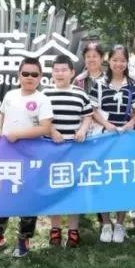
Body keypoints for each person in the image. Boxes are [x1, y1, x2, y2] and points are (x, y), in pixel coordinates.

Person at [0, 57, 55, 258]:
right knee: (2, 192)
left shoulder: (42, 99)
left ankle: (24, 238)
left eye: (34, 74)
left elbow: (45, 128)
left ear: (40, 77)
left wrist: (18, 135)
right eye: (26, 73)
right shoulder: (10, 95)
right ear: (19, 75)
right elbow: (1, 115)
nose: (30, 77)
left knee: (28, 196)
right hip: (6, 153)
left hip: (31, 155)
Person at [88, 45, 135, 242]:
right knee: (102, 180)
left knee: (123, 180)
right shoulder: (100, 84)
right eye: (115, 60)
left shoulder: (132, 85)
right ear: (108, 61)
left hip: (125, 139)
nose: (119, 64)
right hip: (103, 138)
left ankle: (119, 223)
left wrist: (129, 125)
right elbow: (92, 110)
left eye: (122, 60)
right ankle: (106, 223)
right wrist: (107, 125)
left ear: (127, 62)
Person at [45, 55, 95, 248]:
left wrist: (82, 130)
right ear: (52, 73)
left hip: (75, 149)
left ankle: (73, 230)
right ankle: (55, 229)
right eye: (56, 70)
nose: (60, 73)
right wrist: (52, 131)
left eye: (64, 70)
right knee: (54, 188)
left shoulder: (80, 94)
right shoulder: (45, 94)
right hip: (51, 148)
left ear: (72, 72)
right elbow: (40, 119)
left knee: (74, 189)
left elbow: (88, 116)